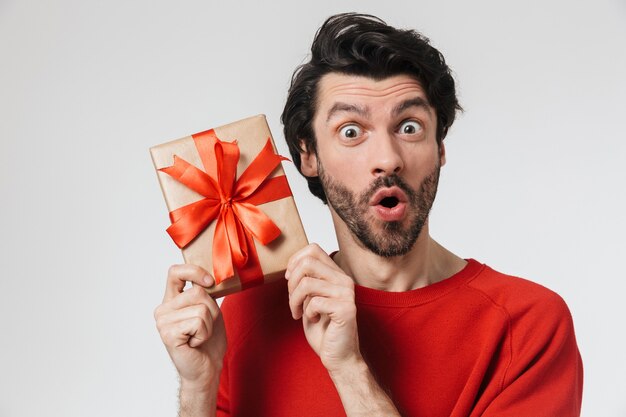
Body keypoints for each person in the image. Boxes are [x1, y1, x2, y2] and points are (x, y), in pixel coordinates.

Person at [154, 13, 583, 417]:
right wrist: (199, 386)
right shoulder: (251, 313)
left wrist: (348, 367)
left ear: (441, 148)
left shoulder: (528, 324)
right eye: (351, 132)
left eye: (410, 126)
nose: (388, 158)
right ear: (308, 155)